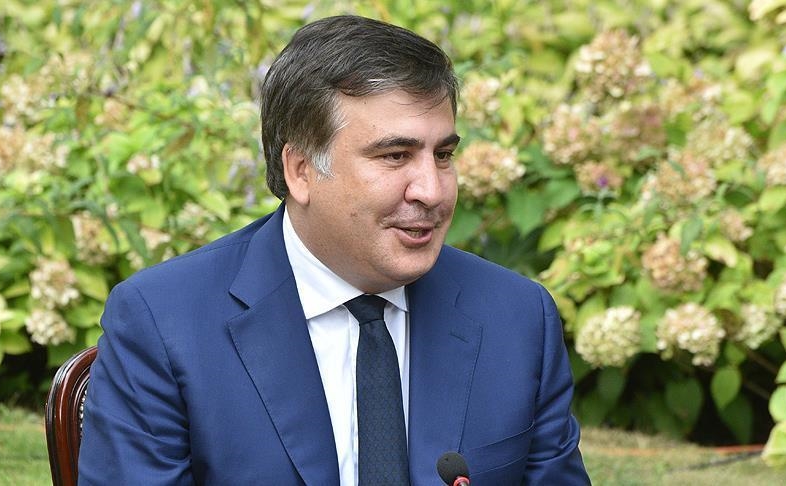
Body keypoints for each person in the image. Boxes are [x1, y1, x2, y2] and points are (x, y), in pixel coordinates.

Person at [78, 15, 589, 485]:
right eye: (396, 156)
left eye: (443, 155)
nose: (432, 191)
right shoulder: (165, 323)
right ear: (301, 171)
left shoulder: (517, 317)